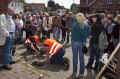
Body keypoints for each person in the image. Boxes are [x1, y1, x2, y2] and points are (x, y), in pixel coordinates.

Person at [71, 13, 91, 79]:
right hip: (82, 42)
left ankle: (74, 73)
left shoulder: (74, 24)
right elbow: (88, 34)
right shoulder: (86, 25)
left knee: (75, 58)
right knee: (81, 58)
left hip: (75, 42)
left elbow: (72, 33)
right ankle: (81, 73)